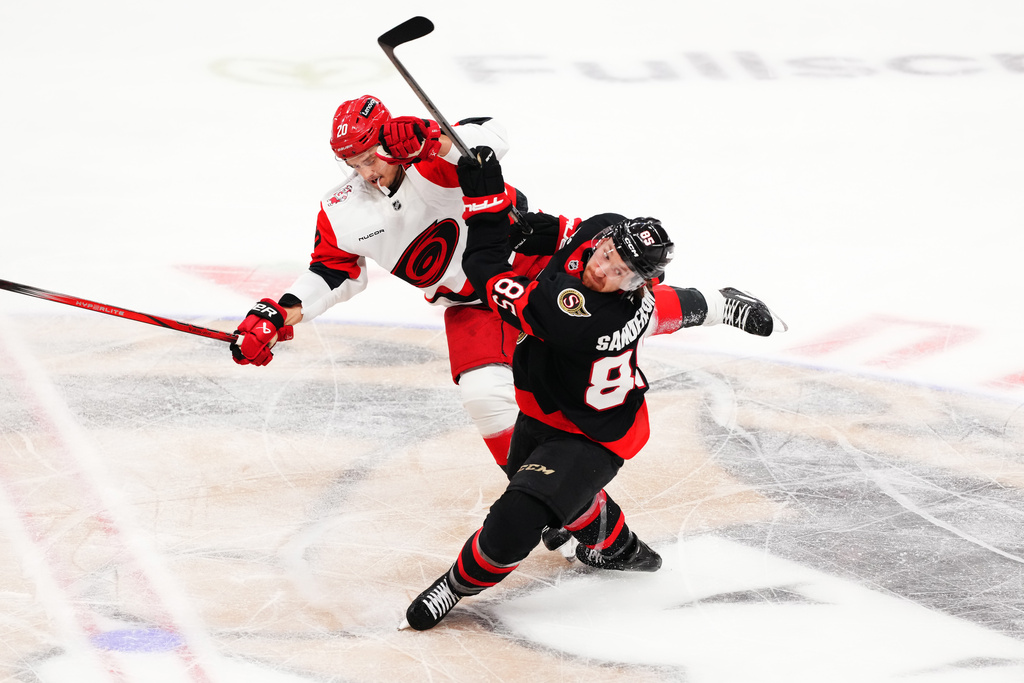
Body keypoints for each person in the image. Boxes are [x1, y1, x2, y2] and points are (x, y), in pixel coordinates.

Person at [401, 147, 782, 631]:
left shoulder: (573, 315)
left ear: (634, 283)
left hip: (592, 434)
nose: (603, 269)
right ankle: (620, 549)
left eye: (620, 271)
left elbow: (483, 267)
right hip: (543, 408)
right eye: (608, 254)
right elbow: (580, 244)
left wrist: (484, 200)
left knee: (518, 517)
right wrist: (518, 217)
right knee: (557, 496)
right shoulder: (609, 238)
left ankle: (455, 586)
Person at [228, 95, 531, 468]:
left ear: (388, 139)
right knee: (484, 396)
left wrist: (433, 137)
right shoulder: (342, 210)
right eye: (354, 164)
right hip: (473, 307)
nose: (367, 172)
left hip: (534, 269)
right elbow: (331, 270)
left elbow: (492, 138)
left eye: (371, 158)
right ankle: (564, 510)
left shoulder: (432, 157)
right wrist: (280, 313)